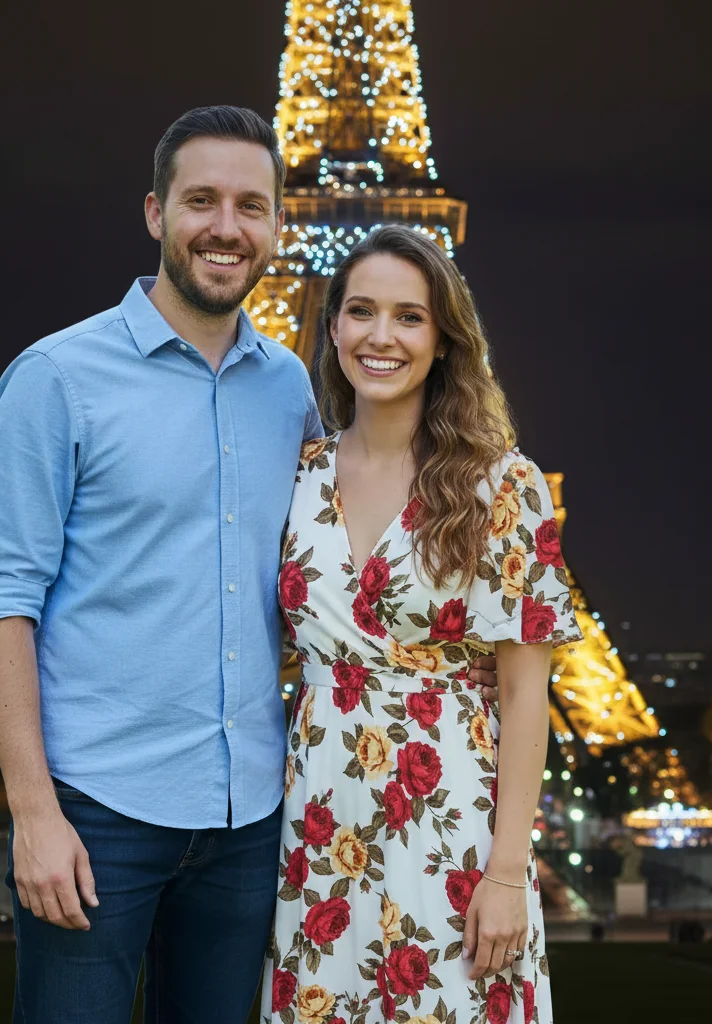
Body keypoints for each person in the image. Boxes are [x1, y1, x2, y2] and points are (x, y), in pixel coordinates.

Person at [0, 107, 498, 1024]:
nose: (225, 226)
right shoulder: (56, 378)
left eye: (251, 205)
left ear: (278, 226)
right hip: (98, 812)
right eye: (200, 200)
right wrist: (34, 811)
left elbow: (342, 560)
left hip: (251, 818)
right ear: (154, 213)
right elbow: (1, 598)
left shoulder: (291, 386)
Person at [261, 225, 582, 1024]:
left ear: (443, 339)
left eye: (409, 317)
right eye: (361, 311)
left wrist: (507, 872)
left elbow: (524, 695)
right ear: (330, 324)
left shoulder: (503, 487)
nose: (381, 336)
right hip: (313, 828)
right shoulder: (295, 476)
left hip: (451, 831)